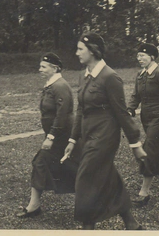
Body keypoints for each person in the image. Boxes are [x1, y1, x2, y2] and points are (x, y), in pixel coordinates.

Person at [62, 32, 146, 230]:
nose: (76, 53)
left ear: (92, 51)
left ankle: (87, 226)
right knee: (106, 174)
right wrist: (73, 140)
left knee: (85, 178)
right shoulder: (84, 76)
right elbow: (81, 109)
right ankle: (130, 222)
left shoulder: (110, 77)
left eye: (80, 49)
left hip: (105, 136)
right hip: (88, 134)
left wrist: (135, 144)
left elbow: (122, 113)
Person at [17, 53, 81, 218]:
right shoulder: (51, 85)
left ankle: (34, 206)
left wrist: (51, 137)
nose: (40, 70)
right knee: (68, 167)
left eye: (43, 67)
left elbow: (63, 115)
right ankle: (34, 205)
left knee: (43, 162)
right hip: (57, 135)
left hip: (62, 136)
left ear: (55, 68)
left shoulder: (60, 86)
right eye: (40, 66)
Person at [127, 43, 159, 207]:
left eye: (142, 56)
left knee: (148, 150)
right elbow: (135, 95)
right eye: (138, 56)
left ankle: (144, 192)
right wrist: (130, 109)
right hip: (146, 118)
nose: (139, 59)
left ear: (151, 57)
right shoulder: (141, 75)